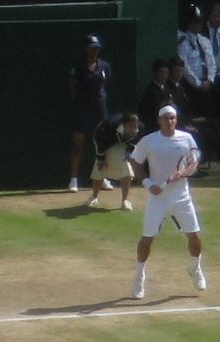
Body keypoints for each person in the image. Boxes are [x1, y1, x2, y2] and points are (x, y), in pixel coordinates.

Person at [127, 105, 209, 300]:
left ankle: (195, 267)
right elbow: (135, 162)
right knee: (147, 238)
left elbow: (193, 163)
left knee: (194, 236)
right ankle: (139, 276)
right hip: (157, 198)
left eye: (172, 118)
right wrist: (147, 183)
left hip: (182, 197)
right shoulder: (149, 141)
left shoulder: (187, 138)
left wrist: (183, 173)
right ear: (159, 120)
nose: (170, 121)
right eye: (166, 118)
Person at [68, 34, 114, 193]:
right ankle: (73, 180)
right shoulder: (79, 67)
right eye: (92, 48)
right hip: (82, 109)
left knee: (101, 145)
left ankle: (103, 179)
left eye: (97, 48)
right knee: (78, 144)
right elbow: (73, 88)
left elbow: (104, 84)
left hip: (99, 110)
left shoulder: (105, 66)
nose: (95, 51)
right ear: (86, 49)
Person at [87, 112, 140, 210]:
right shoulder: (108, 127)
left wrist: (129, 153)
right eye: (130, 126)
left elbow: (135, 143)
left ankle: (125, 201)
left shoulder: (139, 129)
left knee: (127, 170)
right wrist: (101, 158)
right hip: (103, 141)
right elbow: (99, 141)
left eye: (134, 126)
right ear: (124, 124)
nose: (133, 129)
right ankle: (94, 197)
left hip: (121, 144)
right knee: (100, 167)